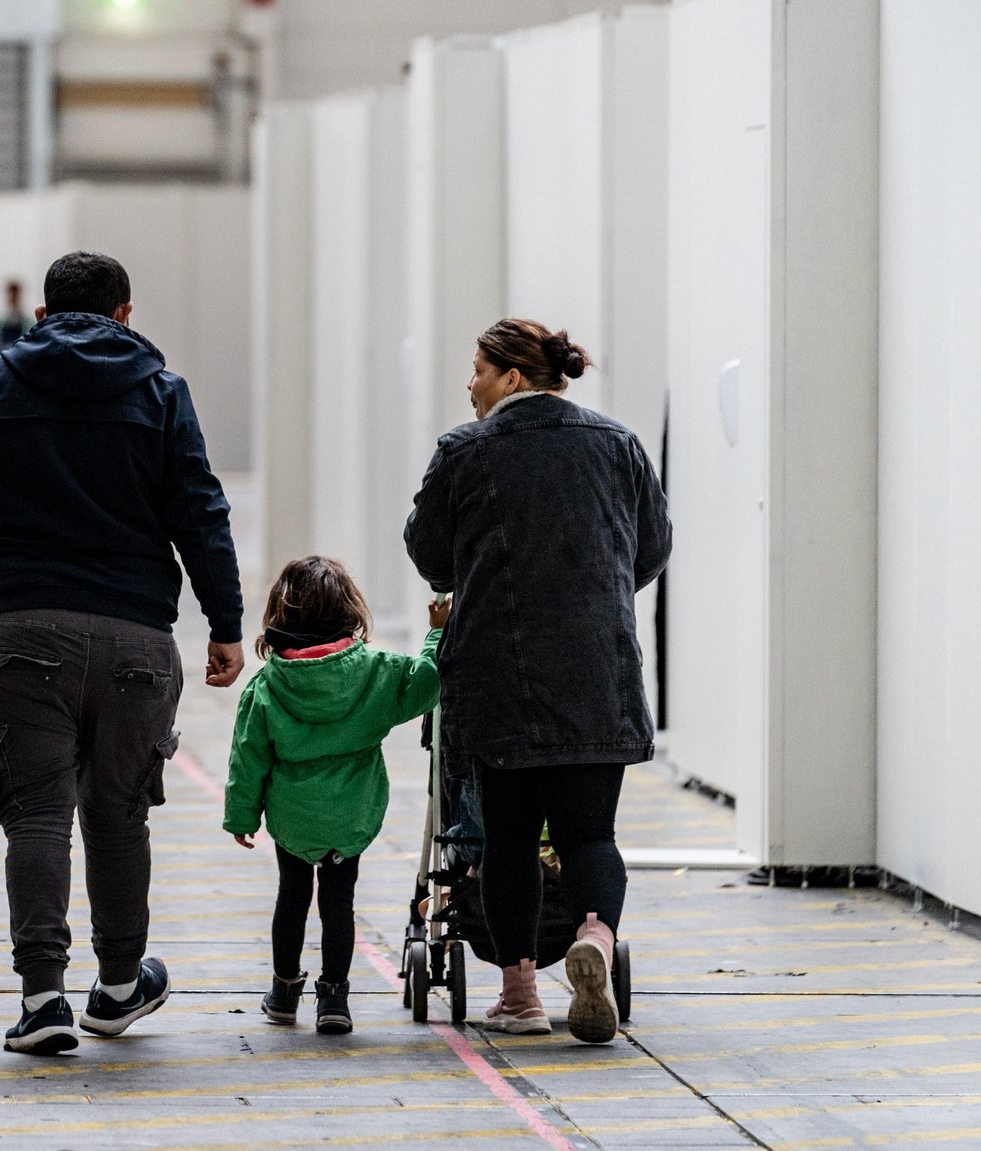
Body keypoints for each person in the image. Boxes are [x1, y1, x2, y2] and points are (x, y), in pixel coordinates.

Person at [0, 249, 246, 1055]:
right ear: (125, 315)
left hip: (20, 628)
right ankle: (122, 987)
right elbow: (201, 511)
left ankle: (41, 998)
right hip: (136, 635)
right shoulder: (161, 392)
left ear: (39, 317)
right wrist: (226, 623)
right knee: (119, 810)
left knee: (36, 813)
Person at [403, 318, 671, 1044]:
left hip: (498, 679)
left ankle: (520, 995)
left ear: (512, 378)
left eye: (478, 369)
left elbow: (427, 549)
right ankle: (594, 932)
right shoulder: (617, 444)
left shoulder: (463, 450)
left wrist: (471, 572)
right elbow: (652, 548)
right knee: (590, 834)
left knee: (511, 839)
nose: (469, 383)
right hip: (597, 672)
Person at [222, 558, 445, 1035]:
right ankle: (334, 1000)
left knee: (292, 896)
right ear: (349, 610)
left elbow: (248, 756)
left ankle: (284, 993)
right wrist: (436, 634)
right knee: (338, 904)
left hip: (292, 812)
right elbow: (426, 684)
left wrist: (242, 814)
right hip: (351, 811)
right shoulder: (378, 671)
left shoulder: (266, 686)